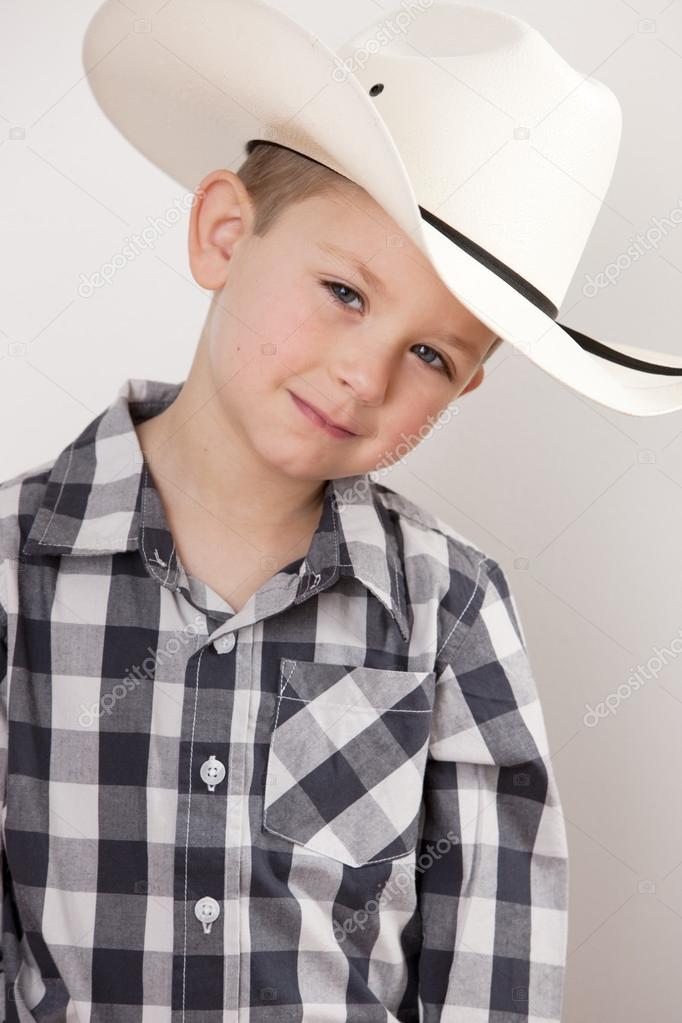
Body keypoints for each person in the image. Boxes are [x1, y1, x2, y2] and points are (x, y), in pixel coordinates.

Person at [2, 1, 679, 1020]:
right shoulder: (16, 568)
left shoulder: (449, 613)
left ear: (462, 389)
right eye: (345, 292)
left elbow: (491, 959)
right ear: (225, 233)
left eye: (429, 356)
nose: (365, 375)